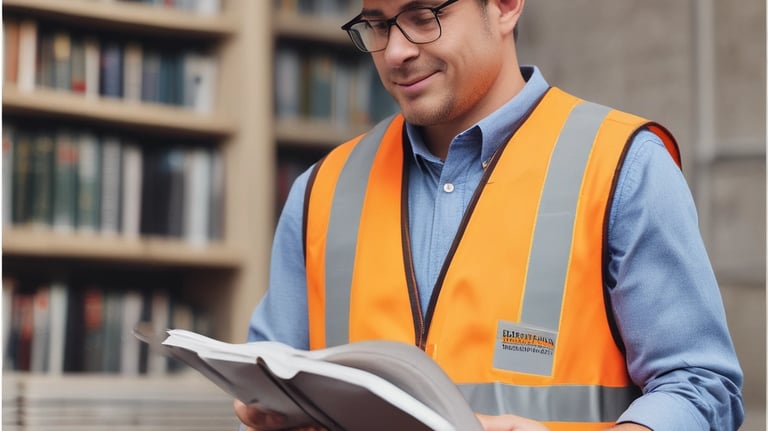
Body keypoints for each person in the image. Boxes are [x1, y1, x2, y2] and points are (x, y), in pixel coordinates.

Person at [235, 0, 745, 430]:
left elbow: (701, 387)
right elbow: (271, 377)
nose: (395, 51)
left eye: (421, 15)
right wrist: (268, 407)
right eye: (378, 23)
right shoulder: (321, 188)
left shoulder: (623, 166)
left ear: (503, 6)